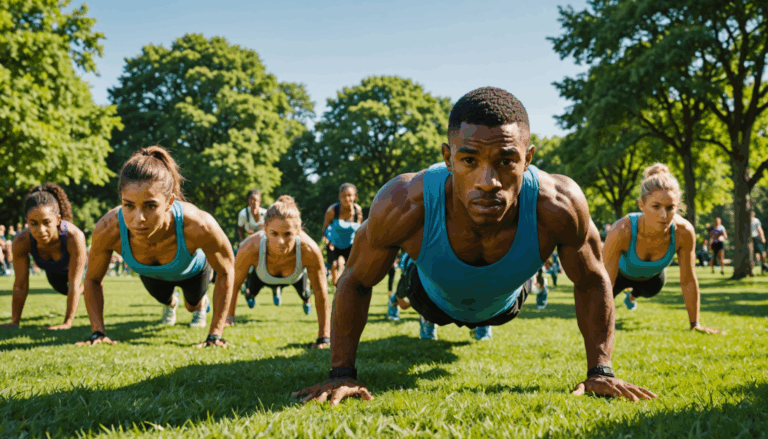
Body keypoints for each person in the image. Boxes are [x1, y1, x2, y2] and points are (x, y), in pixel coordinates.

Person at [294, 87, 656, 405]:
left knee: (506, 293)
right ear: (448, 157)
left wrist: (601, 371)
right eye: (469, 160)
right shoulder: (403, 202)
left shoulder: (559, 205)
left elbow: (592, 280)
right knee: (414, 276)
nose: (488, 181)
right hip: (428, 297)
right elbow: (355, 279)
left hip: (505, 303)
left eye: (506, 161)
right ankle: (414, 270)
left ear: (527, 158)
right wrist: (341, 373)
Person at [79, 146, 235, 348]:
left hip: (192, 273)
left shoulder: (198, 225)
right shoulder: (108, 228)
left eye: (150, 206)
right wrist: (97, 332)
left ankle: (200, 304)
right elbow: (91, 279)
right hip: (152, 275)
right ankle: (172, 303)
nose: (138, 219)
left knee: (192, 306)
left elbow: (226, 270)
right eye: (129, 205)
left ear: (169, 202)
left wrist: (215, 335)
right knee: (166, 300)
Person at [603, 164, 723, 334]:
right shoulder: (622, 230)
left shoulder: (684, 232)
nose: (663, 216)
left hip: (652, 282)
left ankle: (632, 296)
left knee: (649, 290)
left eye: (670, 208)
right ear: (641, 205)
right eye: (656, 206)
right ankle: (628, 293)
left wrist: (695, 324)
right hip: (618, 277)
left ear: (677, 207)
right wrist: (600, 322)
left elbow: (688, 279)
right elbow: (605, 282)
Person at [227, 196, 331, 347]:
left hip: (296, 278)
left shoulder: (309, 250)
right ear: (264, 229)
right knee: (249, 291)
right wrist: (227, 317)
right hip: (261, 276)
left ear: (298, 230)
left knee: (306, 295)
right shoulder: (250, 247)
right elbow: (234, 285)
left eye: (287, 234)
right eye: (274, 234)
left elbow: (321, 293)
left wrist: (324, 338)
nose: (281, 242)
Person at [0, 184, 87, 329]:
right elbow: (20, 285)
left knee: (82, 287)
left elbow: (74, 283)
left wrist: (67, 323)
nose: (41, 230)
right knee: (62, 289)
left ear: (58, 219)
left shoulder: (74, 237)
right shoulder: (21, 241)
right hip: (53, 275)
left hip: (72, 273)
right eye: (33, 224)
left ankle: (91, 286)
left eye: (47, 222)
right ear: (27, 222)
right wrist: (15, 321)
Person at [321, 183, 364, 287]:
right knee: (335, 265)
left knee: (352, 269)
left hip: (350, 244)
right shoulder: (332, 210)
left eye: (349, 195)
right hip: (333, 244)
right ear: (340, 197)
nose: (347, 198)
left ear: (355, 196)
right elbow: (325, 229)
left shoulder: (358, 211)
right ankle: (336, 286)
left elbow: (359, 230)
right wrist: (327, 240)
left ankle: (347, 287)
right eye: (343, 196)